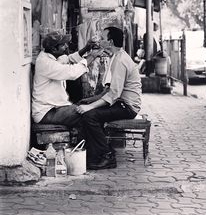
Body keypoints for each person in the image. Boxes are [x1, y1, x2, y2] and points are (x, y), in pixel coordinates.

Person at [75, 26, 142, 170]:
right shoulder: (115, 56)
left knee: (89, 116)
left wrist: (90, 106)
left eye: (103, 38)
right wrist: (91, 100)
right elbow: (109, 90)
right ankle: (94, 155)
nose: (100, 41)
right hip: (120, 103)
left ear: (110, 42)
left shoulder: (120, 60)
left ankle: (107, 155)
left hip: (127, 107)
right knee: (87, 112)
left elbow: (114, 94)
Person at [31, 31, 105, 127]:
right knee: (89, 115)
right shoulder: (46, 63)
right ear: (54, 48)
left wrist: (86, 48)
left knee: (88, 111)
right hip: (47, 111)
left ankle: (85, 140)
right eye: (63, 45)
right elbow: (72, 72)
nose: (66, 46)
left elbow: (69, 59)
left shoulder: (50, 55)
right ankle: (91, 142)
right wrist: (92, 56)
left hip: (55, 107)